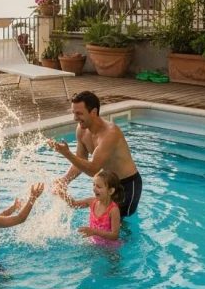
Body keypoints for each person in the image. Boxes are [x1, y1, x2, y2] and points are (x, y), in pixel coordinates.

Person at [48, 90, 142, 218]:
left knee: (119, 225)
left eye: (79, 113)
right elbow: (80, 161)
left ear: (93, 112)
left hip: (126, 185)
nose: (75, 118)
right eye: (74, 113)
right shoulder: (81, 130)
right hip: (107, 184)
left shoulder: (110, 133)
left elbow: (93, 169)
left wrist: (67, 154)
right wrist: (64, 181)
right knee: (102, 220)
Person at [57, 170, 123, 245]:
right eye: (94, 185)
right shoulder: (92, 202)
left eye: (99, 186)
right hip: (93, 243)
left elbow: (115, 235)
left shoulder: (113, 210)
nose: (94, 189)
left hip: (109, 248)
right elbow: (73, 204)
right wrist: (63, 194)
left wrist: (94, 231)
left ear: (110, 191)